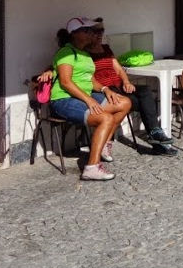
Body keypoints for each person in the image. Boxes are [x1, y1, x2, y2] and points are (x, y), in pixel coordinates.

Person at [48, 17, 132, 181]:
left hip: (83, 96)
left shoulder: (85, 53)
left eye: (92, 31)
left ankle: (103, 144)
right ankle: (92, 167)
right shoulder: (66, 52)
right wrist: (89, 100)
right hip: (64, 99)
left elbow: (90, 79)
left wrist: (105, 89)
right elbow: (65, 82)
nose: (92, 34)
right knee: (106, 118)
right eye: (87, 31)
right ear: (75, 34)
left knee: (124, 102)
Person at [84, 18, 177, 154]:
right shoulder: (85, 52)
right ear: (88, 33)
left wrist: (126, 82)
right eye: (95, 31)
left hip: (119, 86)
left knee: (145, 90)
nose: (99, 34)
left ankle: (155, 135)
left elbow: (119, 69)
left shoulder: (106, 48)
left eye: (101, 30)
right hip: (107, 91)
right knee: (144, 104)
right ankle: (157, 139)